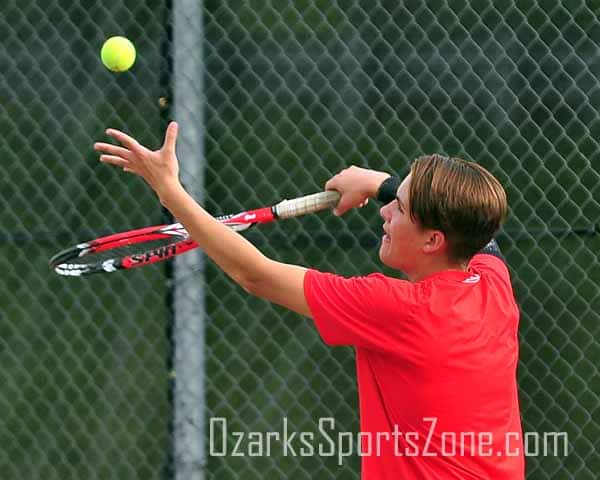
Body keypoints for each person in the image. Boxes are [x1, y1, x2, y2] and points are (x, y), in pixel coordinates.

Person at [94, 122, 524, 479]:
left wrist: (171, 192)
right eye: (393, 200)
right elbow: (482, 232)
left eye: (401, 208)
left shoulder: (399, 309)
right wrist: (377, 183)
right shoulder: (492, 286)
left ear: (433, 239)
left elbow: (255, 274)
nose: (385, 212)